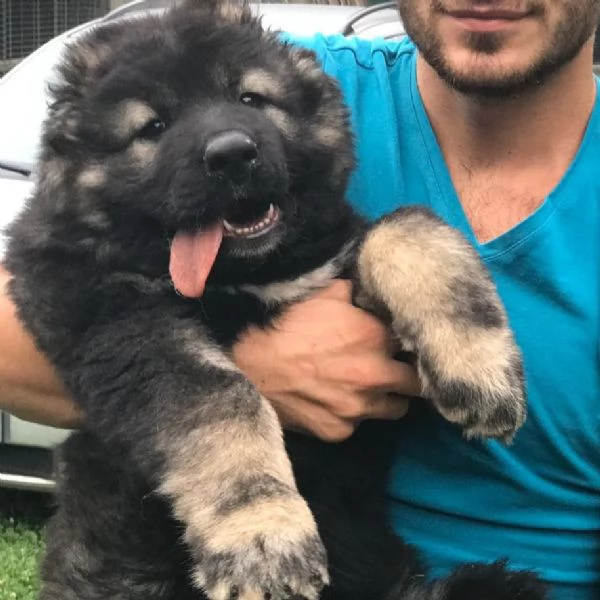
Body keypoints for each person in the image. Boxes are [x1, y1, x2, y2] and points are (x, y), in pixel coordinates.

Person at [1, 1, 599, 598]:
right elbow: (42, 307)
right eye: (152, 128)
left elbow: (353, 243)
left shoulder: (294, 114)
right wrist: (256, 376)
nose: (227, 138)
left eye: (250, 101)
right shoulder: (302, 70)